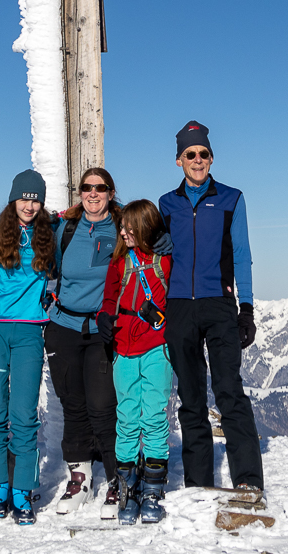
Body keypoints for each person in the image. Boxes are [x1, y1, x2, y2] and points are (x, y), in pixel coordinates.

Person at [156, 119, 263, 493]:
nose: (197, 160)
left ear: (212, 158)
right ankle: (198, 483)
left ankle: (248, 479)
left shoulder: (232, 198)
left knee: (229, 389)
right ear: (179, 161)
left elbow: (243, 254)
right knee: (190, 397)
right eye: (190, 154)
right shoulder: (166, 204)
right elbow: (159, 260)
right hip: (179, 307)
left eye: (203, 154)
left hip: (219, 304)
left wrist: (245, 308)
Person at [45, 167, 125, 518]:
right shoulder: (66, 227)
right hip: (63, 325)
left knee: (103, 405)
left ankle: (114, 478)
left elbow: (154, 240)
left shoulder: (123, 229)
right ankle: (79, 476)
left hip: (101, 329)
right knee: (73, 403)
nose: (93, 194)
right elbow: (49, 264)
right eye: (86, 188)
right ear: (79, 192)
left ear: (110, 192)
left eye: (100, 188)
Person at [0, 169, 54, 525]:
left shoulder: (49, 231)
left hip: (28, 332)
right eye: (24, 197)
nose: (29, 204)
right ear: (13, 199)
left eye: (35, 198)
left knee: (24, 416)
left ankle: (22, 490)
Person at [100, 198, 173, 524]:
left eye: (131, 226)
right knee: (127, 418)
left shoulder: (164, 261)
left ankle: (153, 491)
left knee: (154, 417)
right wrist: (104, 317)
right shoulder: (119, 263)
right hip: (124, 348)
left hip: (157, 347)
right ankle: (128, 489)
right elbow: (109, 298)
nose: (124, 231)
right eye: (122, 226)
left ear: (145, 227)